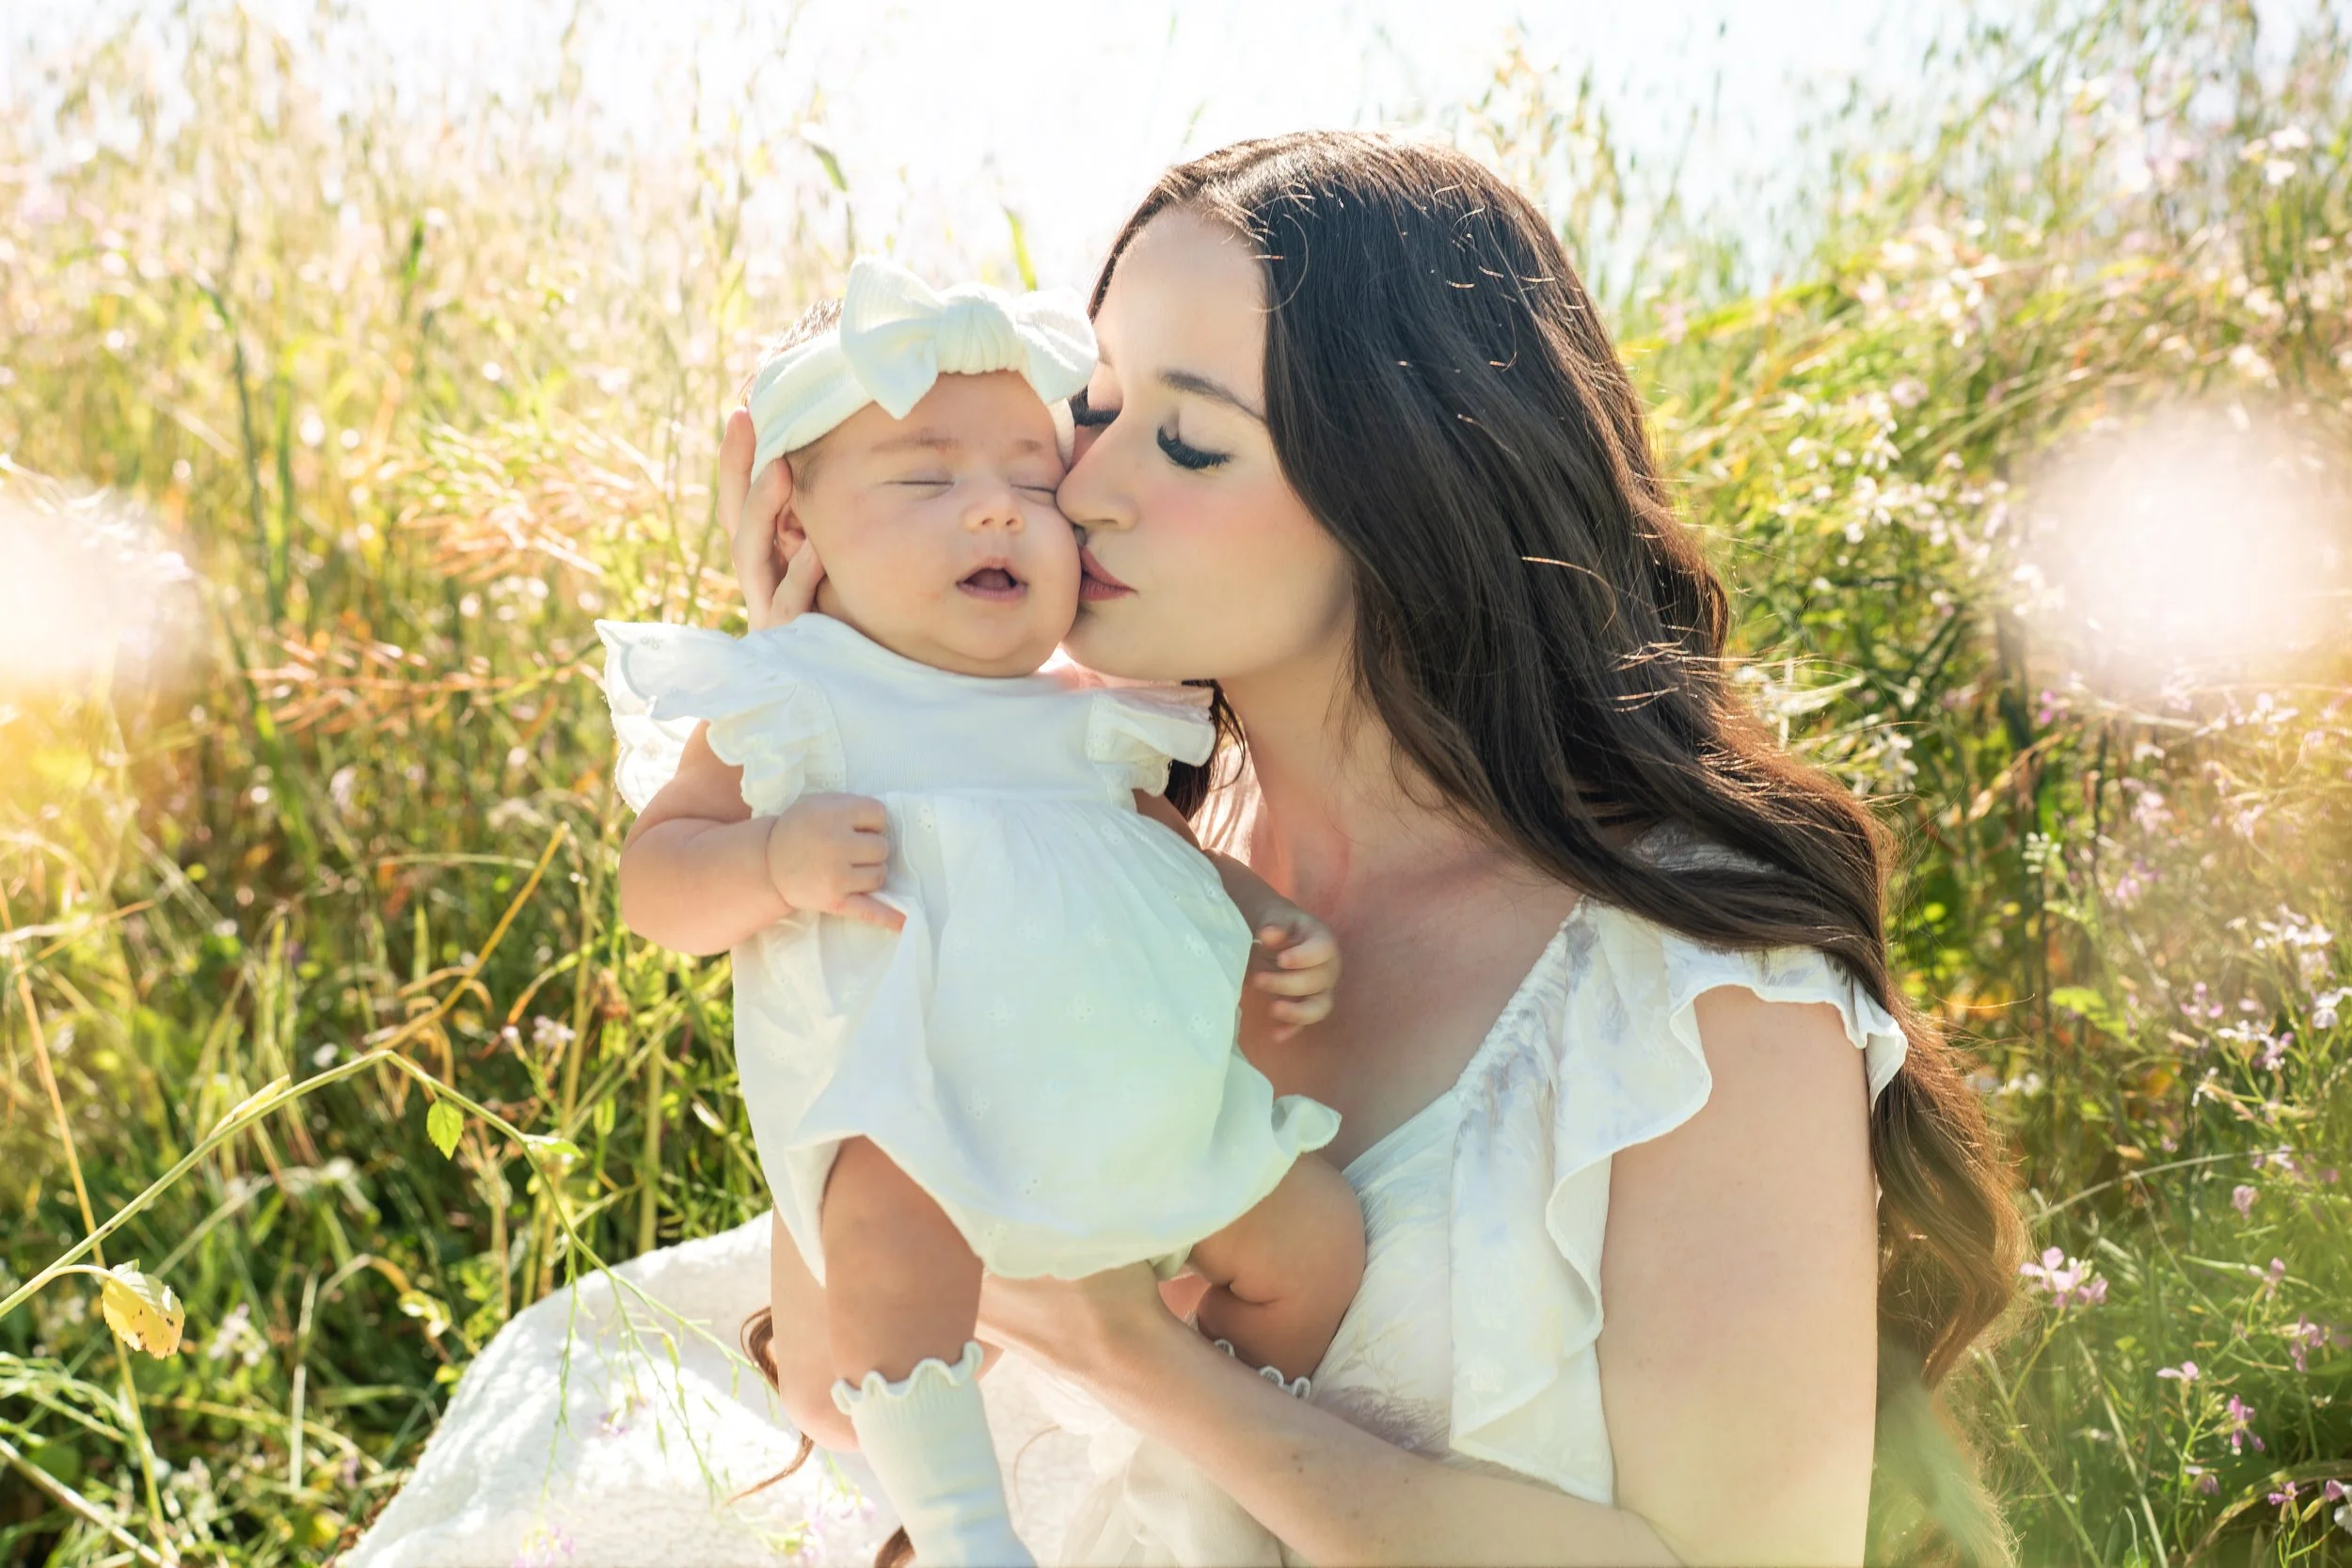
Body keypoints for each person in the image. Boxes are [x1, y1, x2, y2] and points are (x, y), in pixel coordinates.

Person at [354, 129, 2022, 1568]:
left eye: (1190, 438)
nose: (1074, 493)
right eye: (1093, 409)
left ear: (1414, 491)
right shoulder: (1112, 848)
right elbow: (836, 1354)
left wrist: (1131, 1353)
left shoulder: (1697, 993)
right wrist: (841, 684)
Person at [600, 256, 1365, 1566]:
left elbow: (1156, 854)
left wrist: (1256, 920)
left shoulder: (1091, 713)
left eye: (1033, 480)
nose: (998, 514)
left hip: (1121, 1108)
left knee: (1315, 1241)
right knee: (892, 1218)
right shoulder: (799, 700)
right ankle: (962, 1531)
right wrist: (773, 860)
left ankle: (1201, 1477)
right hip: (916, 1109)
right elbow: (657, 883)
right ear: (797, 530)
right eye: (925, 477)